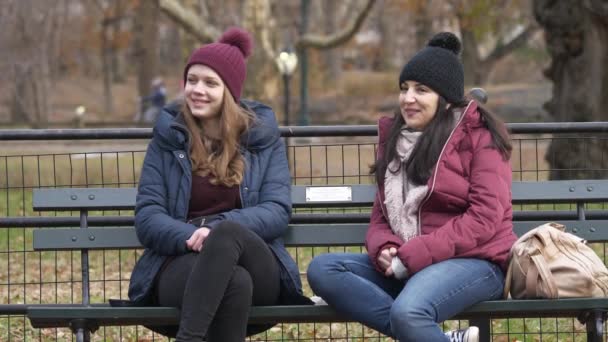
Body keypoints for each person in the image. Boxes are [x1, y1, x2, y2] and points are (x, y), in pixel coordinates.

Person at [307, 32, 516, 342]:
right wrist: (385, 246)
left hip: (476, 263)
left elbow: (485, 218)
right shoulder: (395, 142)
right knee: (323, 269)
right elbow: (381, 214)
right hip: (409, 264)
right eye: (404, 89)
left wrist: (414, 254)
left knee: (408, 313)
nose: (408, 98)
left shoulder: (479, 138)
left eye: (421, 90)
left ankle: (421, 329)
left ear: (445, 100)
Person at [128, 27, 311, 342]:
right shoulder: (168, 139)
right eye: (192, 80)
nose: (197, 89)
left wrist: (216, 230)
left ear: (230, 92)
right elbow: (148, 217)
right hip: (181, 261)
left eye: (210, 83)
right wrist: (192, 236)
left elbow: (276, 210)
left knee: (227, 234)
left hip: (257, 260)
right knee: (234, 283)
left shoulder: (262, 140)